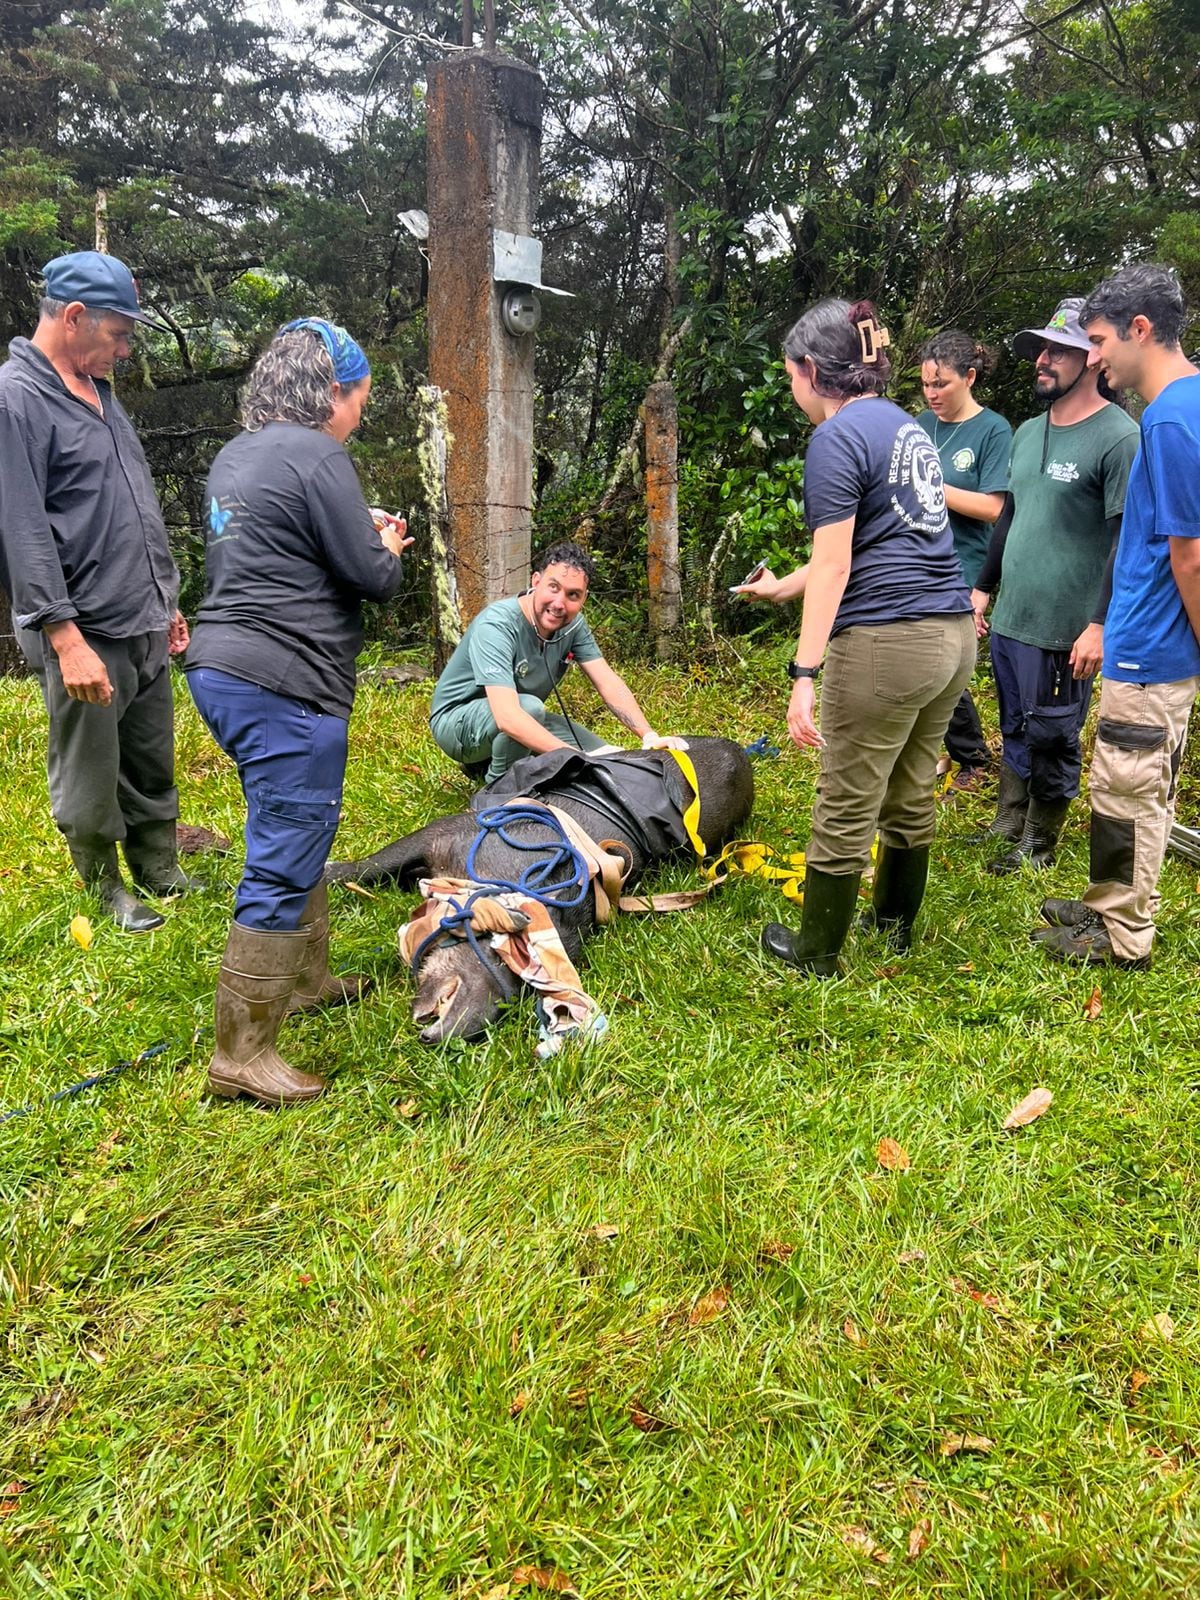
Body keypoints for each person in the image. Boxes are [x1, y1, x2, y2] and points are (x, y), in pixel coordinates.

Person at [185, 318, 408, 1106]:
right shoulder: (320, 454)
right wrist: (388, 544)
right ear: (333, 393)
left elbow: (279, 555)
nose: (359, 416)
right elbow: (370, 576)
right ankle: (242, 1054)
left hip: (219, 665)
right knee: (284, 847)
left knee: (289, 822)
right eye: (360, 400)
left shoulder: (236, 454)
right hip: (287, 680)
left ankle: (307, 979)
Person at [738, 298, 976, 975]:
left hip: (887, 642)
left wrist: (804, 674)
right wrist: (784, 586)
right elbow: (873, 541)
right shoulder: (904, 426)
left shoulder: (836, 438)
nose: (792, 390)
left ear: (811, 369)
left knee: (845, 798)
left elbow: (840, 564)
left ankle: (815, 957)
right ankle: (893, 927)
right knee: (909, 789)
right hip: (951, 636)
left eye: (790, 375)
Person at [0, 250, 196, 934]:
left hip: (138, 615)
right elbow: (21, 528)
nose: (125, 348)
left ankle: (159, 864)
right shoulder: (16, 398)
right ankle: (103, 883)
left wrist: (165, 599)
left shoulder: (100, 393)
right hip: (83, 628)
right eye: (118, 333)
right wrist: (63, 635)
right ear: (74, 316)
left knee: (149, 751)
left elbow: (132, 502)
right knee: (90, 764)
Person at [1034, 264, 1200, 968]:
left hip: (1155, 651)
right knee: (1125, 785)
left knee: (1129, 792)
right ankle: (1110, 902)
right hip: (1147, 642)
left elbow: (1190, 556)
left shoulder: (1169, 420)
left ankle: (1125, 937)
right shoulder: (1182, 408)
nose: (1092, 356)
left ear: (1140, 330)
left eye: (1098, 340)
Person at [971, 297, 1138, 875]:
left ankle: (1040, 840)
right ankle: (1008, 822)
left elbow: (1127, 541)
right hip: (1013, 614)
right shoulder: (1025, 432)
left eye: (1058, 351)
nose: (1043, 360)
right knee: (1014, 722)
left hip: (1067, 627)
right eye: (1041, 350)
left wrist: (1098, 624)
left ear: (1092, 358)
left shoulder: (1119, 438)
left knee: (1053, 734)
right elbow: (1010, 516)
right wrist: (983, 588)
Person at [429, 540, 684, 785]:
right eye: (553, 587)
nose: (559, 603)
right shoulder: (497, 624)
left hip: (521, 712)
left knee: (608, 756)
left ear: (584, 598)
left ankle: (487, 762)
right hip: (458, 722)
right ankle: (499, 789)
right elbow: (507, 716)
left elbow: (608, 682)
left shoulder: (573, 627)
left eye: (573, 595)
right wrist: (572, 757)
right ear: (536, 581)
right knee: (532, 711)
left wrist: (649, 735)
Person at [917, 331, 1013, 792]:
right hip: (915, 559)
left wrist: (933, 486)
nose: (933, 394)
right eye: (926, 384)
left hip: (963, 563)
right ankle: (931, 751)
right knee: (919, 662)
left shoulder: (993, 430)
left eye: (943, 384)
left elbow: (995, 507)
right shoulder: (919, 423)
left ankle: (972, 757)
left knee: (945, 665)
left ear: (970, 377)